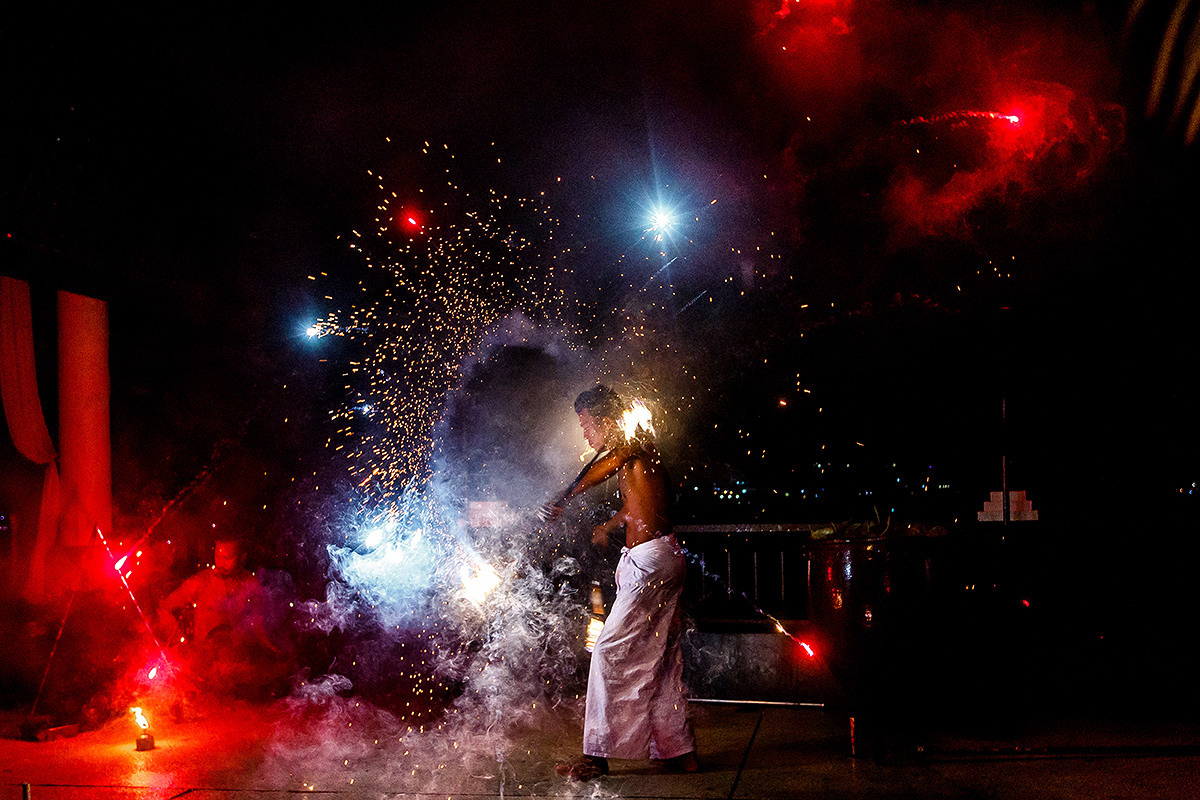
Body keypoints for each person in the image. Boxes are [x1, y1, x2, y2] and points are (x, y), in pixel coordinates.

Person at [541, 385, 698, 781]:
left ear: (608, 422)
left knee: (608, 650)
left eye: (587, 424)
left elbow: (609, 463)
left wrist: (566, 495)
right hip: (658, 560)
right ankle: (679, 751)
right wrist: (609, 526)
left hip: (651, 566)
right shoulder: (639, 455)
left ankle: (596, 756)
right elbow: (638, 505)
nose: (585, 434)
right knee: (660, 659)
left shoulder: (629, 447)